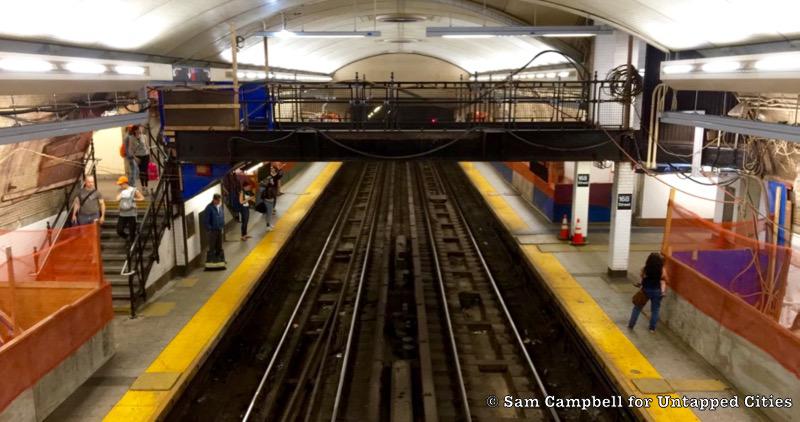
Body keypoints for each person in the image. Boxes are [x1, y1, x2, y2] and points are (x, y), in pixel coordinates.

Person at [628, 253, 668, 332]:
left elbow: (642, 277)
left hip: (645, 290)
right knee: (655, 310)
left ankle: (631, 325)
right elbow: (665, 278)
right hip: (657, 291)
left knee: (637, 308)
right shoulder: (662, 269)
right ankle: (652, 328)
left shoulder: (645, 269)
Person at [115, 176, 144, 242]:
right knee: (119, 230)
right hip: (122, 213)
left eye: (121, 184)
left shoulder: (134, 190)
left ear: (125, 183)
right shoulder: (122, 191)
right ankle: (127, 238)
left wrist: (134, 199)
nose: (120, 185)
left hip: (132, 214)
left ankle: (132, 247)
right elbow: (117, 199)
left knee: (132, 231)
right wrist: (122, 194)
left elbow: (142, 198)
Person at [203, 193, 226, 269]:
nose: (219, 202)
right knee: (212, 245)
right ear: (214, 200)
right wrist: (210, 229)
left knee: (219, 244)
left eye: (220, 200)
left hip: (219, 229)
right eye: (218, 200)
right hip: (213, 230)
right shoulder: (209, 208)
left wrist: (222, 224)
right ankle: (211, 260)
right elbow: (206, 220)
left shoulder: (220, 207)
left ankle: (219, 259)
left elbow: (221, 216)